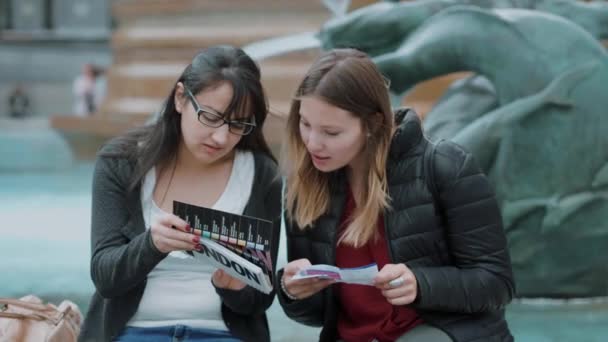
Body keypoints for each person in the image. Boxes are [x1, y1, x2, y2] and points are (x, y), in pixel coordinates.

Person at [276, 49, 515, 342]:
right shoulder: (304, 186)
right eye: (305, 124)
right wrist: (292, 291)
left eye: (332, 132)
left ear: (373, 124)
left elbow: (496, 283)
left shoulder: (446, 166)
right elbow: (316, 315)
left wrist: (421, 284)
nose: (313, 143)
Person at [79, 45, 282, 342]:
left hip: (222, 334)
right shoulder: (120, 162)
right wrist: (151, 244)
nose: (222, 137)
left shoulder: (262, 174)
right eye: (211, 117)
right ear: (180, 98)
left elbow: (261, 299)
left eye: (238, 124)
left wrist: (235, 289)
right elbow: (105, 276)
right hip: (134, 332)